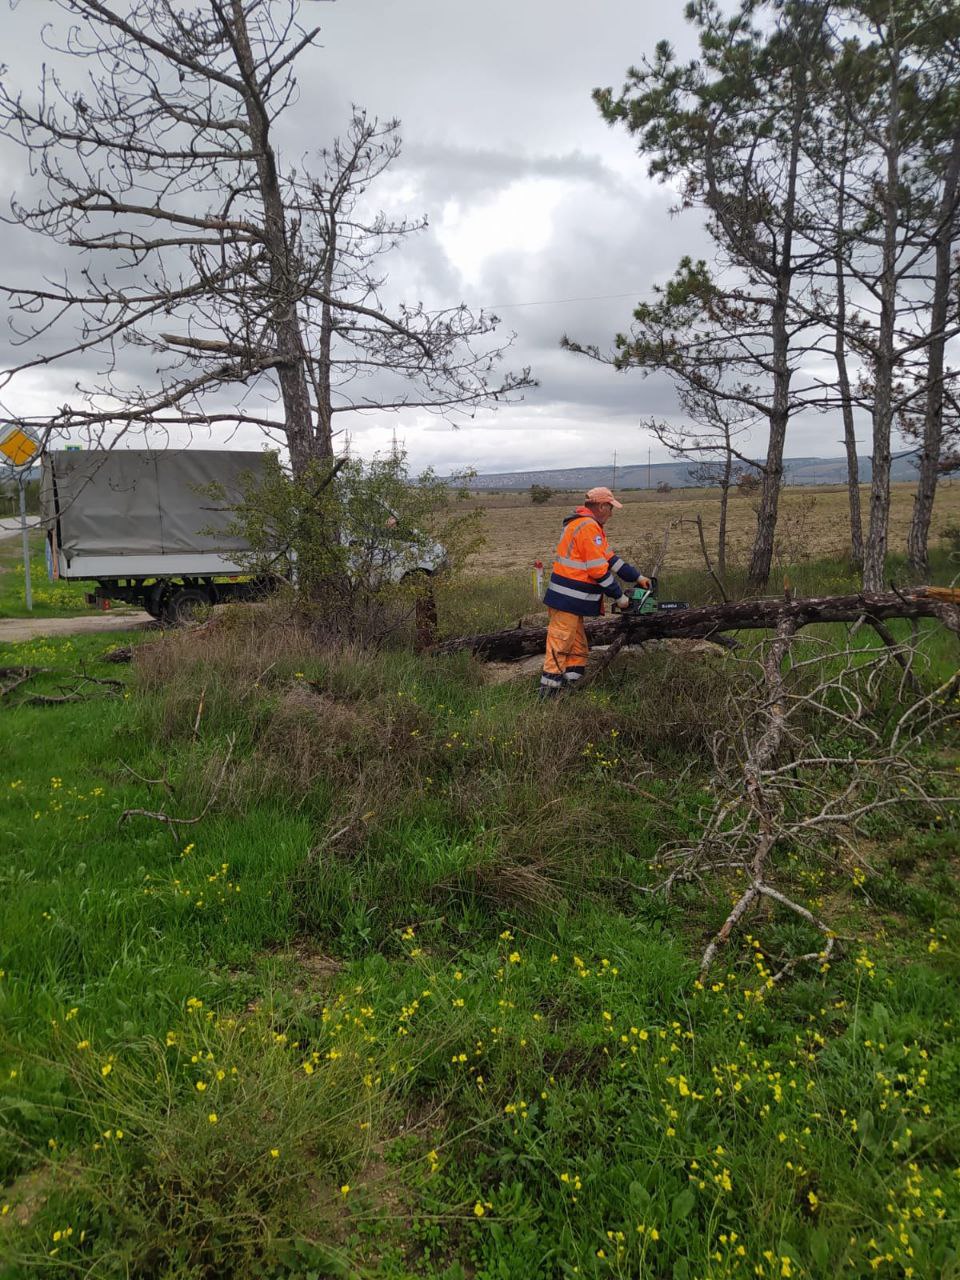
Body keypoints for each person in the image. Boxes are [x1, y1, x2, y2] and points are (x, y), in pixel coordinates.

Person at [539, 486, 650, 696]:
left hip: (572, 601)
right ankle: (548, 698)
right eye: (610, 508)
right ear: (601, 506)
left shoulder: (590, 526)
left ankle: (571, 690)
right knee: (560, 647)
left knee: (578, 649)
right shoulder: (588, 527)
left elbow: (611, 560)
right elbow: (598, 570)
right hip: (567, 599)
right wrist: (619, 597)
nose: (612, 513)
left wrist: (637, 577)